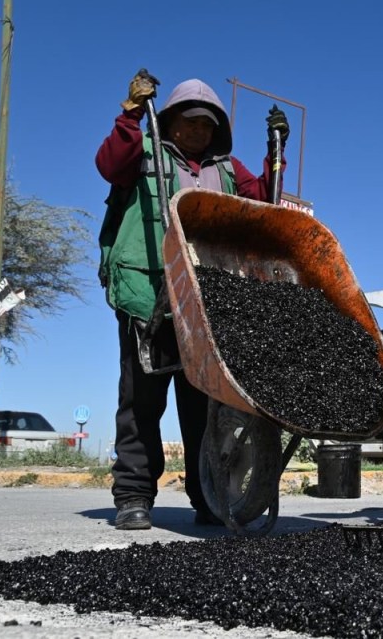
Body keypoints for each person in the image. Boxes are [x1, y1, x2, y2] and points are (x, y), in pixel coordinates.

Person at [95, 71, 289, 530]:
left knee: (205, 404)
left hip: (206, 302)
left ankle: (210, 495)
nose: (199, 131)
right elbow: (110, 165)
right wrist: (130, 115)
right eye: (190, 122)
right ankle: (134, 495)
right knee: (142, 401)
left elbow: (261, 202)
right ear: (171, 121)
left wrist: (274, 148)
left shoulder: (226, 169)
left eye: (207, 124)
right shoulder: (143, 151)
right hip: (150, 293)